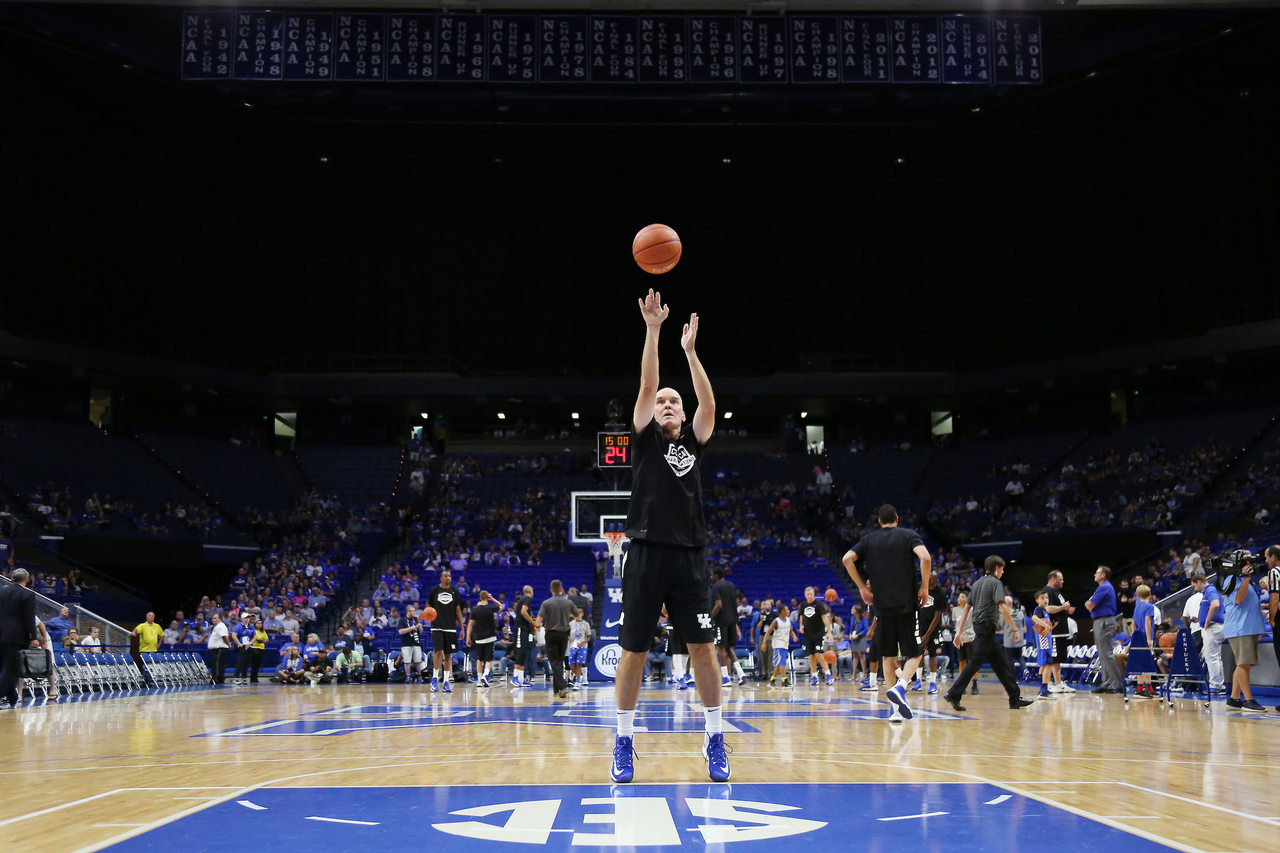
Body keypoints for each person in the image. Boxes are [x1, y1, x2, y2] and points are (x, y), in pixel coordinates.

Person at [611, 290, 729, 784]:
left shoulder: (696, 442)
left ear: (683, 415)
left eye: (672, 402)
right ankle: (623, 741)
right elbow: (646, 381)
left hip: (688, 557)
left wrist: (692, 353)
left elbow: (708, 401)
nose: (665, 404)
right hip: (643, 551)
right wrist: (655, 330)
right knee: (634, 650)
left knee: (702, 648)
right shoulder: (643, 437)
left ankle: (715, 738)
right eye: (661, 402)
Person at [842, 504, 933, 721]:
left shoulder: (869, 539)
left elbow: (846, 559)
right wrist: (925, 586)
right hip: (907, 604)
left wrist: (862, 587)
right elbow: (926, 558)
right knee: (915, 653)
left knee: (887, 655)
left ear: (880, 522)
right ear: (897, 519)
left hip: (881, 607)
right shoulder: (908, 535)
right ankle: (901, 687)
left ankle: (894, 712)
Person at [942, 556, 1034, 713]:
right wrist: (1013, 628)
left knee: (1001, 665)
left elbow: (966, 610)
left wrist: (959, 632)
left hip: (981, 628)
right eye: (1002, 569)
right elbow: (1003, 608)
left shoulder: (976, 583)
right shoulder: (995, 583)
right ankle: (953, 692)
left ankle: (1014, 698)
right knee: (975, 663)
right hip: (986, 627)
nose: (1002, 572)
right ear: (997, 568)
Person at [1223, 561, 1267, 712]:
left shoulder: (1247, 582)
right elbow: (1237, 599)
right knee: (1243, 664)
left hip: (1248, 628)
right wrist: (1246, 578)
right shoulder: (1232, 579)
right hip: (1239, 627)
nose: (1252, 566)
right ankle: (1248, 700)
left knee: (1243, 664)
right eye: (1249, 564)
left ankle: (1234, 699)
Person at [0, 569, 38, 708]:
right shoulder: (28, 594)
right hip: (16, 637)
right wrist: (33, 637)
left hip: (1, 634)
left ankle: (12, 698)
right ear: (26, 580)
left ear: (12, 579)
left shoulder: (2, 592)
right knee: (11, 669)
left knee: (4, 669)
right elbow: (29, 618)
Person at [536, 580, 579, 698]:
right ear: (561, 589)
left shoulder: (546, 603)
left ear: (551, 590)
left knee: (554, 661)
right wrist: (566, 616)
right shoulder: (568, 603)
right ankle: (557, 689)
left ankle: (562, 686)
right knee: (559, 661)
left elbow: (538, 621)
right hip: (564, 634)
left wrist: (537, 626)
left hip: (551, 634)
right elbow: (578, 615)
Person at [1085, 566, 1124, 694]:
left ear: (1103, 575)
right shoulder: (1104, 587)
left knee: (1107, 654)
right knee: (1102, 655)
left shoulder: (1104, 587)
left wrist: (1089, 602)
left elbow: (1089, 605)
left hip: (1104, 621)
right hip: (1101, 621)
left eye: (1097, 573)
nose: (1094, 575)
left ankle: (1117, 684)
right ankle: (1106, 683)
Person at [427, 570, 464, 693]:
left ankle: (446, 681)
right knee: (438, 652)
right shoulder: (434, 590)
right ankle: (435, 678)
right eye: (445, 576)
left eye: (449, 576)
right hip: (436, 626)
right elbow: (429, 607)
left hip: (450, 626)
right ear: (441, 578)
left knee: (448, 655)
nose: (448, 578)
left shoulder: (455, 591)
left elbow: (458, 611)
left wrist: (462, 628)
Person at [1040, 570, 1075, 693]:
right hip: (1053, 630)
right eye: (1060, 579)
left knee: (1058, 658)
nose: (1063, 581)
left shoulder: (1057, 592)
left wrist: (1067, 610)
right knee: (1053, 658)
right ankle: (1050, 683)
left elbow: (1059, 609)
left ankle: (1058, 682)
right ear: (1053, 579)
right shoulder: (1047, 591)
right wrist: (1063, 607)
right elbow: (1048, 608)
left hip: (1061, 630)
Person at [710, 567, 746, 686]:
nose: (711, 577)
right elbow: (736, 603)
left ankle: (725, 677)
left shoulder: (716, 587)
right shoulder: (731, 585)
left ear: (716, 575)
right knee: (728, 648)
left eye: (712, 575)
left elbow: (719, 605)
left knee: (721, 648)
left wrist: (710, 616)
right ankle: (741, 673)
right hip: (732, 619)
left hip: (722, 620)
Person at [1190, 574, 1226, 693]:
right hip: (1215, 627)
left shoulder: (1209, 590)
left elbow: (1215, 604)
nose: (1195, 589)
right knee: (1214, 657)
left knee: (1212, 657)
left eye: (1194, 586)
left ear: (1199, 582)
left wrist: (1206, 621)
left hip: (1213, 628)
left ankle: (1216, 685)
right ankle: (1219, 685)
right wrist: (1200, 619)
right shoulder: (1211, 591)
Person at [798, 586, 835, 686]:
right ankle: (814, 676)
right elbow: (801, 616)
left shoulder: (818, 604)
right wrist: (801, 625)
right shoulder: (803, 605)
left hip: (819, 633)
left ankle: (828, 675)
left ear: (814, 594)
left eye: (811, 594)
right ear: (805, 595)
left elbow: (824, 617)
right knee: (811, 656)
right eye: (807, 594)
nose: (809, 596)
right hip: (808, 633)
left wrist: (829, 631)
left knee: (818, 654)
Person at [914, 574, 943, 694]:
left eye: (935, 579)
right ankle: (918, 681)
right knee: (918, 653)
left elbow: (937, 617)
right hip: (919, 625)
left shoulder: (940, 593)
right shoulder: (919, 588)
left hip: (933, 628)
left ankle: (933, 682)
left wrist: (927, 635)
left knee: (932, 653)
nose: (933, 581)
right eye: (931, 578)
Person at [1128, 585, 1158, 699]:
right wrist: (1149, 638)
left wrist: (1134, 635)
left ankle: (1148, 688)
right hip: (1145, 637)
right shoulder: (1149, 606)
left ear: (1138, 595)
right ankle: (1140, 688)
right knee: (1146, 664)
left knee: (1144, 663)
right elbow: (1147, 622)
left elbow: (1132, 624)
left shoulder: (1137, 607)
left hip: (1138, 637)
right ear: (1150, 594)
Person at [466, 590, 500, 687]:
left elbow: (470, 625)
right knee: (489, 659)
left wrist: (468, 637)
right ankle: (485, 676)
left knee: (479, 659)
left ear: (480, 598)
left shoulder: (475, 610)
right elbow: (501, 607)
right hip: (490, 637)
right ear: (487, 598)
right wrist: (493, 599)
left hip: (478, 638)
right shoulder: (490, 608)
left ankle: (479, 680)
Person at [509, 585, 539, 688]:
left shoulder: (525, 599)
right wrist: (533, 623)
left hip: (525, 629)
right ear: (531, 591)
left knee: (524, 653)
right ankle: (515, 678)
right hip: (520, 629)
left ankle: (521, 679)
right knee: (520, 652)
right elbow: (523, 612)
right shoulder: (527, 598)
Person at [762, 605, 797, 687]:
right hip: (778, 644)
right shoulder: (776, 621)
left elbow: (791, 630)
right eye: (787, 609)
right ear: (782, 611)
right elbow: (768, 632)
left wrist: (794, 635)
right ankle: (784, 681)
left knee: (779, 665)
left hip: (785, 644)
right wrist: (764, 643)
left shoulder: (788, 620)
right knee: (782, 663)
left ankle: (772, 680)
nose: (789, 611)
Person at [950, 593, 977, 694]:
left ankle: (974, 685)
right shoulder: (955, 610)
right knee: (962, 662)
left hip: (970, 637)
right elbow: (955, 625)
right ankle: (962, 685)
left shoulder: (972, 609)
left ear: (967, 598)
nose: (960, 598)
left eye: (962, 596)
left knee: (972, 662)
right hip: (960, 638)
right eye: (959, 597)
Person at [1032, 591, 1056, 699]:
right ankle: (1044, 690)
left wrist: (1050, 626)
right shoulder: (1039, 610)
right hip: (1044, 642)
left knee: (1044, 666)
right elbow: (1034, 618)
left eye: (1047, 597)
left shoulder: (1045, 611)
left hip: (1046, 641)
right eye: (1042, 598)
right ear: (1037, 600)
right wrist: (1046, 625)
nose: (1046, 600)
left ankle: (1042, 687)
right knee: (1048, 664)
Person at [397, 604, 425, 684]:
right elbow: (400, 631)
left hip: (416, 642)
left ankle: (420, 676)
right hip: (406, 643)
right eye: (412, 611)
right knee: (407, 661)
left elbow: (421, 631)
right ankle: (408, 676)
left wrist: (420, 627)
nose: (414, 612)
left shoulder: (415, 620)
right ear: (408, 612)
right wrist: (411, 628)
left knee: (418, 660)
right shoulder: (402, 620)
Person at [1267, 545, 1280, 711]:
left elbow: (1275, 598)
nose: (1265, 560)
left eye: (1266, 557)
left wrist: (1272, 618)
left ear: (1274, 558)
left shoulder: (1275, 572)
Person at [568, 606, 592, 688]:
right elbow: (567, 635)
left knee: (579, 663)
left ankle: (577, 681)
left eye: (580, 612)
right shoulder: (571, 623)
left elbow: (589, 636)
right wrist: (570, 638)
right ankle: (578, 675)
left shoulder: (586, 624)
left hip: (582, 646)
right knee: (571, 663)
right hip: (573, 646)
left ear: (583, 614)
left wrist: (583, 642)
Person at [206, 612, 231, 685]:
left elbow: (224, 636)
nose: (213, 620)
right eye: (212, 618)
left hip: (219, 649)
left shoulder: (221, 626)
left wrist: (228, 643)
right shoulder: (217, 626)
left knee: (217, 664)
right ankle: (218, 678)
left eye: (215, 618)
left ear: (220, 619)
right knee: (217, 664)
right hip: (216, 649)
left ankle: (216, 679)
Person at [246, 618, 267, 684]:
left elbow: (267, 639)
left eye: (260, 623)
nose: (259, 624)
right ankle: (252, 679)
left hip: (261, 649)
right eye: (258, 623)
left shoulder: (263, 631)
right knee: (254, 665)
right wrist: (262, 640)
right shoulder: (253, 631)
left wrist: (262, 640)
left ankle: (255, 679)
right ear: (255, 624)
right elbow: (259, 639)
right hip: (254, 648)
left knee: (257, 665)